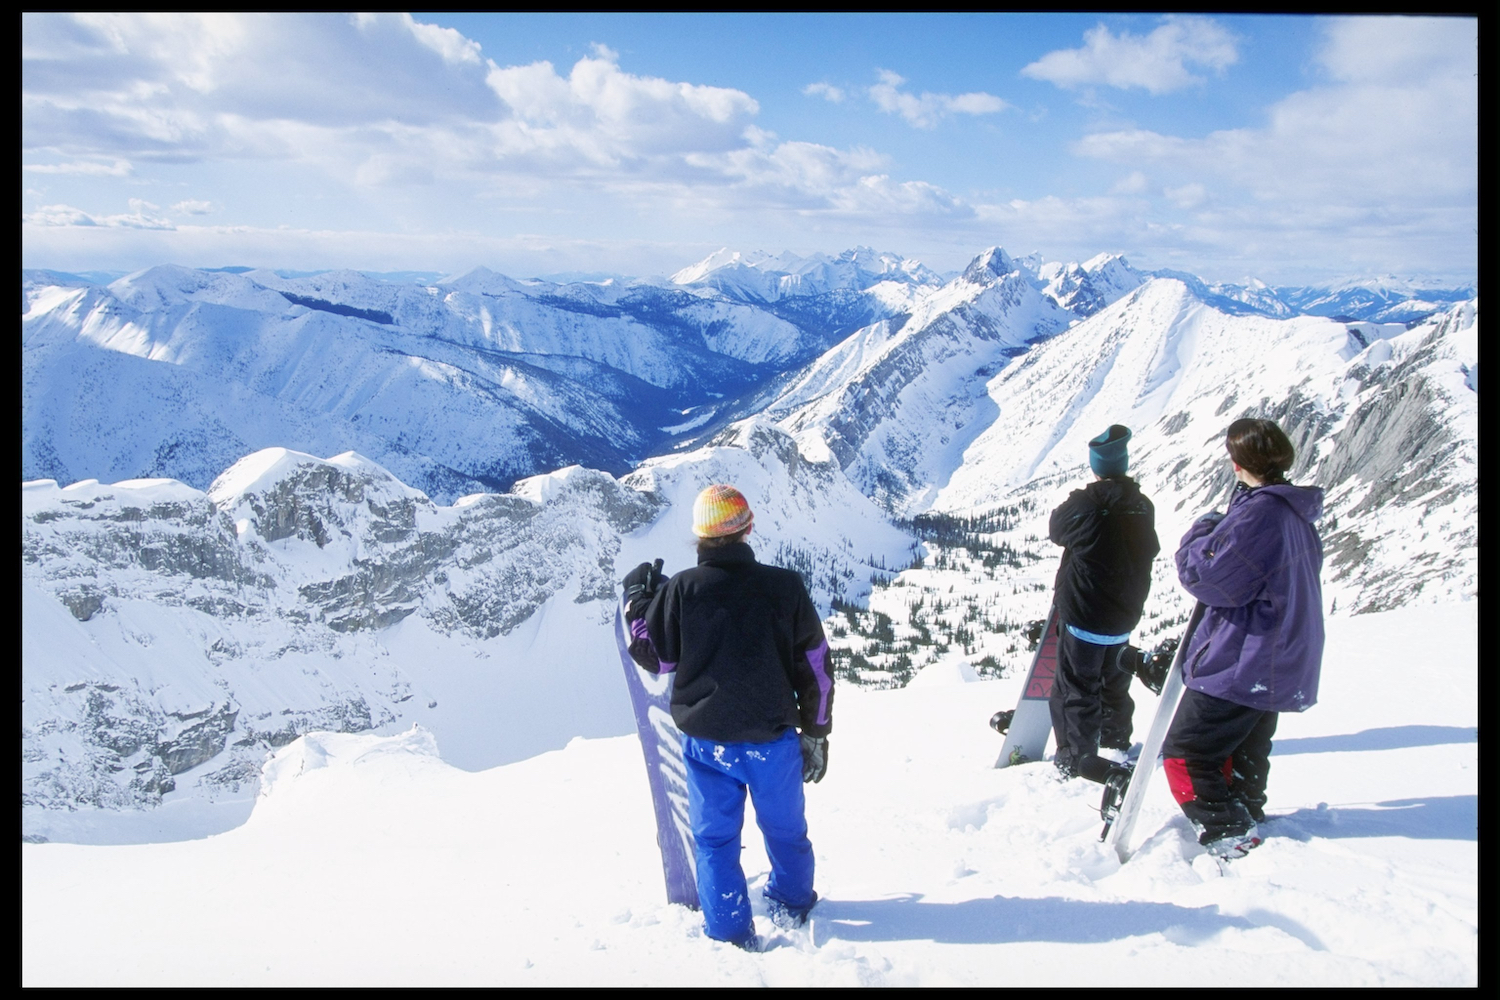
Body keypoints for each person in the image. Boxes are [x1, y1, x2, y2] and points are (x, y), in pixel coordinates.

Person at [622, 484, 832, 949]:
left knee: (714, 841)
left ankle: (729, 929)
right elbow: (814, 665)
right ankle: (792, 902)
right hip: (773, 741)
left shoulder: (682, 590)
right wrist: (816, 733)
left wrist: (638, 601)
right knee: (786, 829)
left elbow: (653, 654)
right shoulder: (785, 587)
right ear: (748, 529)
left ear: (698, 537)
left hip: (708, 744)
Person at [1164, 417, 1325, 859]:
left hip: (1245, 658)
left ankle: (1228, 830)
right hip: (1278, 658)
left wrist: (1200, 532)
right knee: (1243, 747)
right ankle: (1248, 813)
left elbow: (1209, 579)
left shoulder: (1262, 515)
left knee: (1186, 753)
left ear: (1237, 463)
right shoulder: (1294, 513)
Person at [1048, 424, 1160, 782]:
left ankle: (1076, 759)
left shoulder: (1084, 505)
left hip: (1084, 613)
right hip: (1123, 614)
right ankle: (1116, 742)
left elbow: (1056, 530)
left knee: (1076, 688)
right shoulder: (1142, 506)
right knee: (1115, 682)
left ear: (1096, 465)